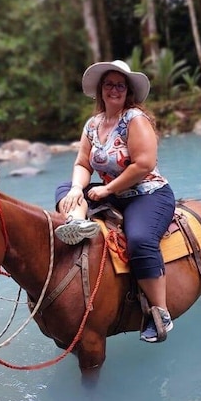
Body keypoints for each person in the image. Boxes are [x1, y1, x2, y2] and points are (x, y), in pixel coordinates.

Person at [54, 60, 176, 343]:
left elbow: (144, 164)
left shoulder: (134, 119)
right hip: (112, 193)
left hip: (147, 193)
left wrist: (107, 192)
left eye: (120, 85)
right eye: (109, 84)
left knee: (140, 240)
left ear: (128, 91)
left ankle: (160, 311)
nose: (114, 89)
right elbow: (83, 163)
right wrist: (76, 189)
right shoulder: (93, 125)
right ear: (100, 90)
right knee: (63, 188)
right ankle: (77, 221)